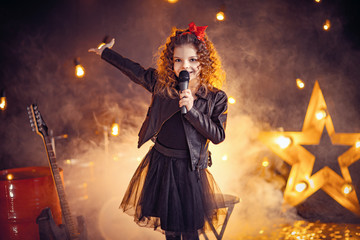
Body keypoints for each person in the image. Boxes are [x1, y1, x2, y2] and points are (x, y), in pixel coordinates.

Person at [89, 22, 228, 240]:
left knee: (190, 231)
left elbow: (218, 135)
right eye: (178, 60)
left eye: (192, 60)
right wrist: (106, 53)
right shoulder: (161, 84)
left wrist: (192, 110)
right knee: (171, 229)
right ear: (171, 62)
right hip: (162, 164)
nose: (185, 66)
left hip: (190, 170)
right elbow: (134, 71)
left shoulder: (216, 97)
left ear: (203, 61)